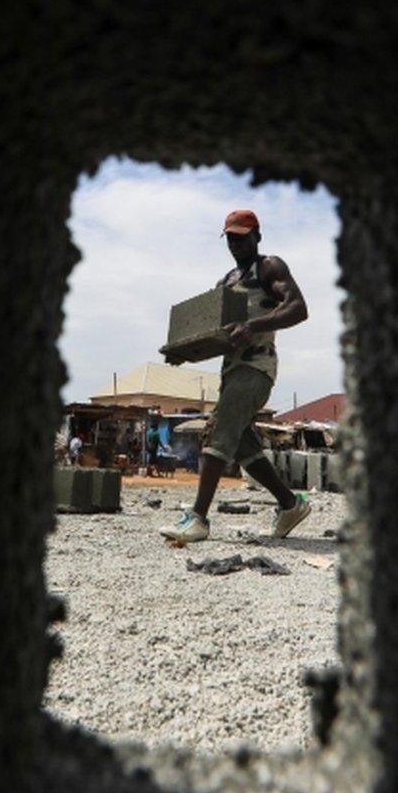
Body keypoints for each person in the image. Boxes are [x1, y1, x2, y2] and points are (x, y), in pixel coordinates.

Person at [160, 208, 312, 543]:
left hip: (256, 367)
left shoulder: (269, 266)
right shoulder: (226, 283)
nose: (236, 243)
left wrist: (255, 324)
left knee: (219, 433)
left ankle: (198, 518)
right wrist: (184, 353)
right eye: (230, 237)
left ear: (257, 235)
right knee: (243, 446)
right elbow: (214, 334)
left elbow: (298, 307)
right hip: (231, 372)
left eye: (242, 237)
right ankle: (290, 504)